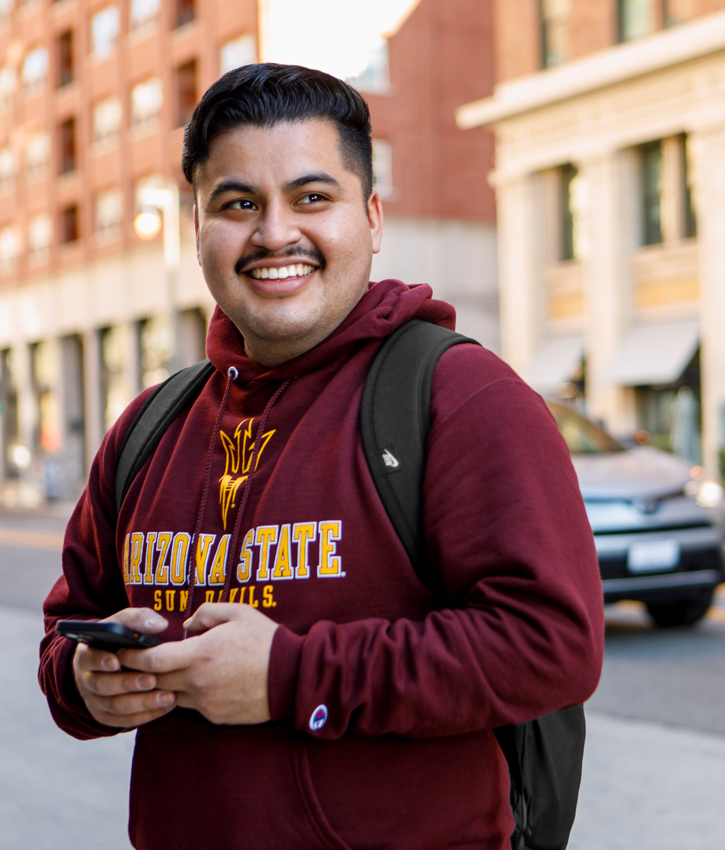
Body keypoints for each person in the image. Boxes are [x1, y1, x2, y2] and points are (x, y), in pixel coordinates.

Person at [38, 64, 604, 849]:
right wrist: (84, 683)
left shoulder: (460, 397)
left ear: (371, 218)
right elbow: (68, 629)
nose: (275, 234)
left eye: (312, 198)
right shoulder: (147, 428)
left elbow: (551, 646)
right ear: (195, 228)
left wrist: (287, 677)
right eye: (239, 204)